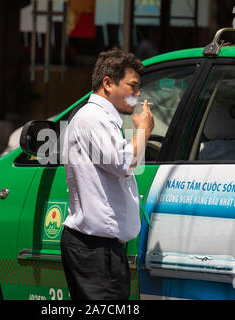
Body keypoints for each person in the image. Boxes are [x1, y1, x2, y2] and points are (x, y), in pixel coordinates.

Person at [60, 48, 154, 300]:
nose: (137, 94)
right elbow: (124, 163)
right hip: (94, 248)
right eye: (132, 86)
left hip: (100, 249)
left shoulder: (100, 118)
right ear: (108, 83)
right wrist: (144, 131)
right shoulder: (93, 118)